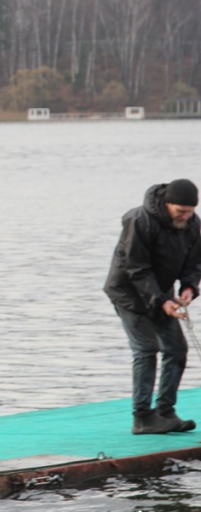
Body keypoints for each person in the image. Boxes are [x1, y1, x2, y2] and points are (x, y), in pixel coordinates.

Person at [104, 179, 201, 435]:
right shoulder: (139, 220)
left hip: (161, 293)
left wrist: (189, 287)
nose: (185, 216)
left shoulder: (192, 224)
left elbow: (194, 262)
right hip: (128, 292)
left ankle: (165, 412)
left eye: (189, 211)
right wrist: (161, 300)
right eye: (180, 211)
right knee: (146, 349)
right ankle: (143, 417)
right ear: (167, 204)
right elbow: (136, 268)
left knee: (176, 350)